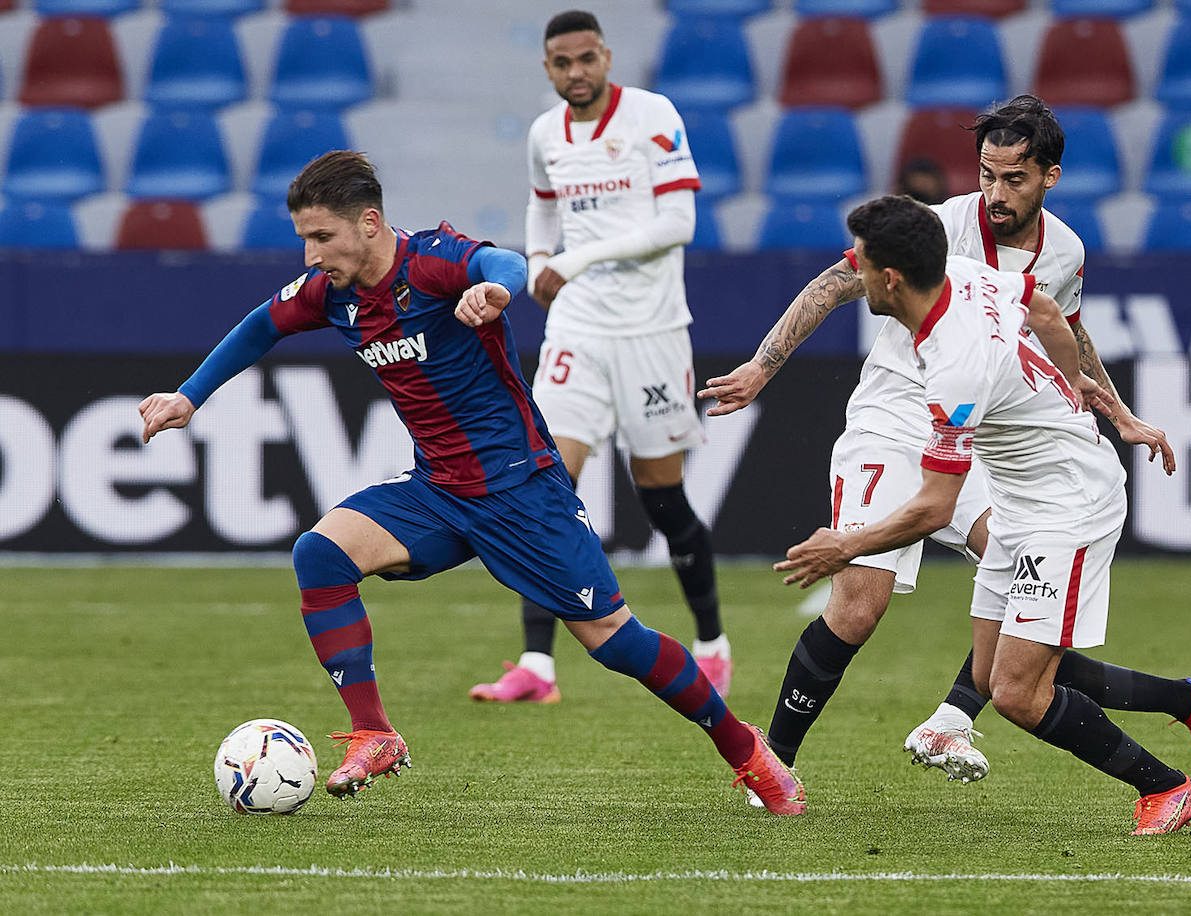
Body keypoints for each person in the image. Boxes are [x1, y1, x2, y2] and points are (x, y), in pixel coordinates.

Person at [138, 151, 804, 815]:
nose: (311, 256)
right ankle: (374, 732)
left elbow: (501, 262)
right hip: (438, 490)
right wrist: (190, 397)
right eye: (304, 239)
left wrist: (497, 290)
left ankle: (746, 750)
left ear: (369, 223)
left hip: (521, 489)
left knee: (614, 642)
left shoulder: (430, 261)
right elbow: (261, 325)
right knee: (320, 554)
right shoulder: (331, 294)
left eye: (322, 237)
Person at [700, 95, 1191, 790]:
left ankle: (1154, 702)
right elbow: (839, 281)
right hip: (894, 419)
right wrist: (761, 367)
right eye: (986, 174)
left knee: (1023, 600)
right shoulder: (938, 225)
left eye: (1013, 178)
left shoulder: (1065, 250)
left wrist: (1116, 412)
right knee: (860, 604)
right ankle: (774, 764)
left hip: (976, 430)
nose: (994, 193)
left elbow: (1062, 331)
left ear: (1050, 175)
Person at [777, 194, 1191, 834]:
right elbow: (1043, 307)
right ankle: (1189, 703)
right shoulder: (963, 273)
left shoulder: (954, 372)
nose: (856, 275)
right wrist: (1071, 392)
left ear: (891, 279)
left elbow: (934, 507)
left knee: (1015, 692)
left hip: (1066, 506)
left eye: (863, 266)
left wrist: (846, 545)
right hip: (1022, 496)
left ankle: (1166, 788)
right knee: (991, 673)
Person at [469, 9, 731, 705]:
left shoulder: (652, 114)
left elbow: (679, 222)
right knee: (542, 489)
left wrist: (574, 258)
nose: (576, 73)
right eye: (562, 63)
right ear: (548, 67)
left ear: (607, 57)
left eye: (587, 59)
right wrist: (542, 260)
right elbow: (543, 206)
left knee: (662, 499)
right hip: (577, 332)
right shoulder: (545, 133)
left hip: (651, 331)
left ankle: (711, 645)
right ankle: (537, 665)